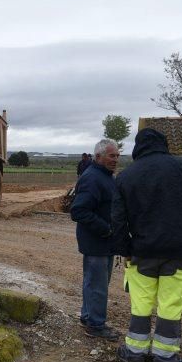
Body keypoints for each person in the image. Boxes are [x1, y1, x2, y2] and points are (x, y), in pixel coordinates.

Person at [112, 128, 182, 362]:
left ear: (138, 147)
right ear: (164, 144)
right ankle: (165, 358)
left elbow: (117, 220)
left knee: (141, 304)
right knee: (170, 305)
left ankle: (135, 353)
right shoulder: (181, 166)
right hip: (180, 251)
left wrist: (125, 250)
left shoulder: (126, 176)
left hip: (142, 252)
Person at [70, 139, 120, 340]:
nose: (115, 160)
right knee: (98, 285)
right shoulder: (93, 178)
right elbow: (79, 210)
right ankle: (96, 326)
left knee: (93, 282)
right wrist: (106, 229)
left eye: (117, 156)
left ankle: (88, 316)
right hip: (97, 242)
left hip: (103, 242)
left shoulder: (105, 176)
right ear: (98, 157)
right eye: (111, 156)